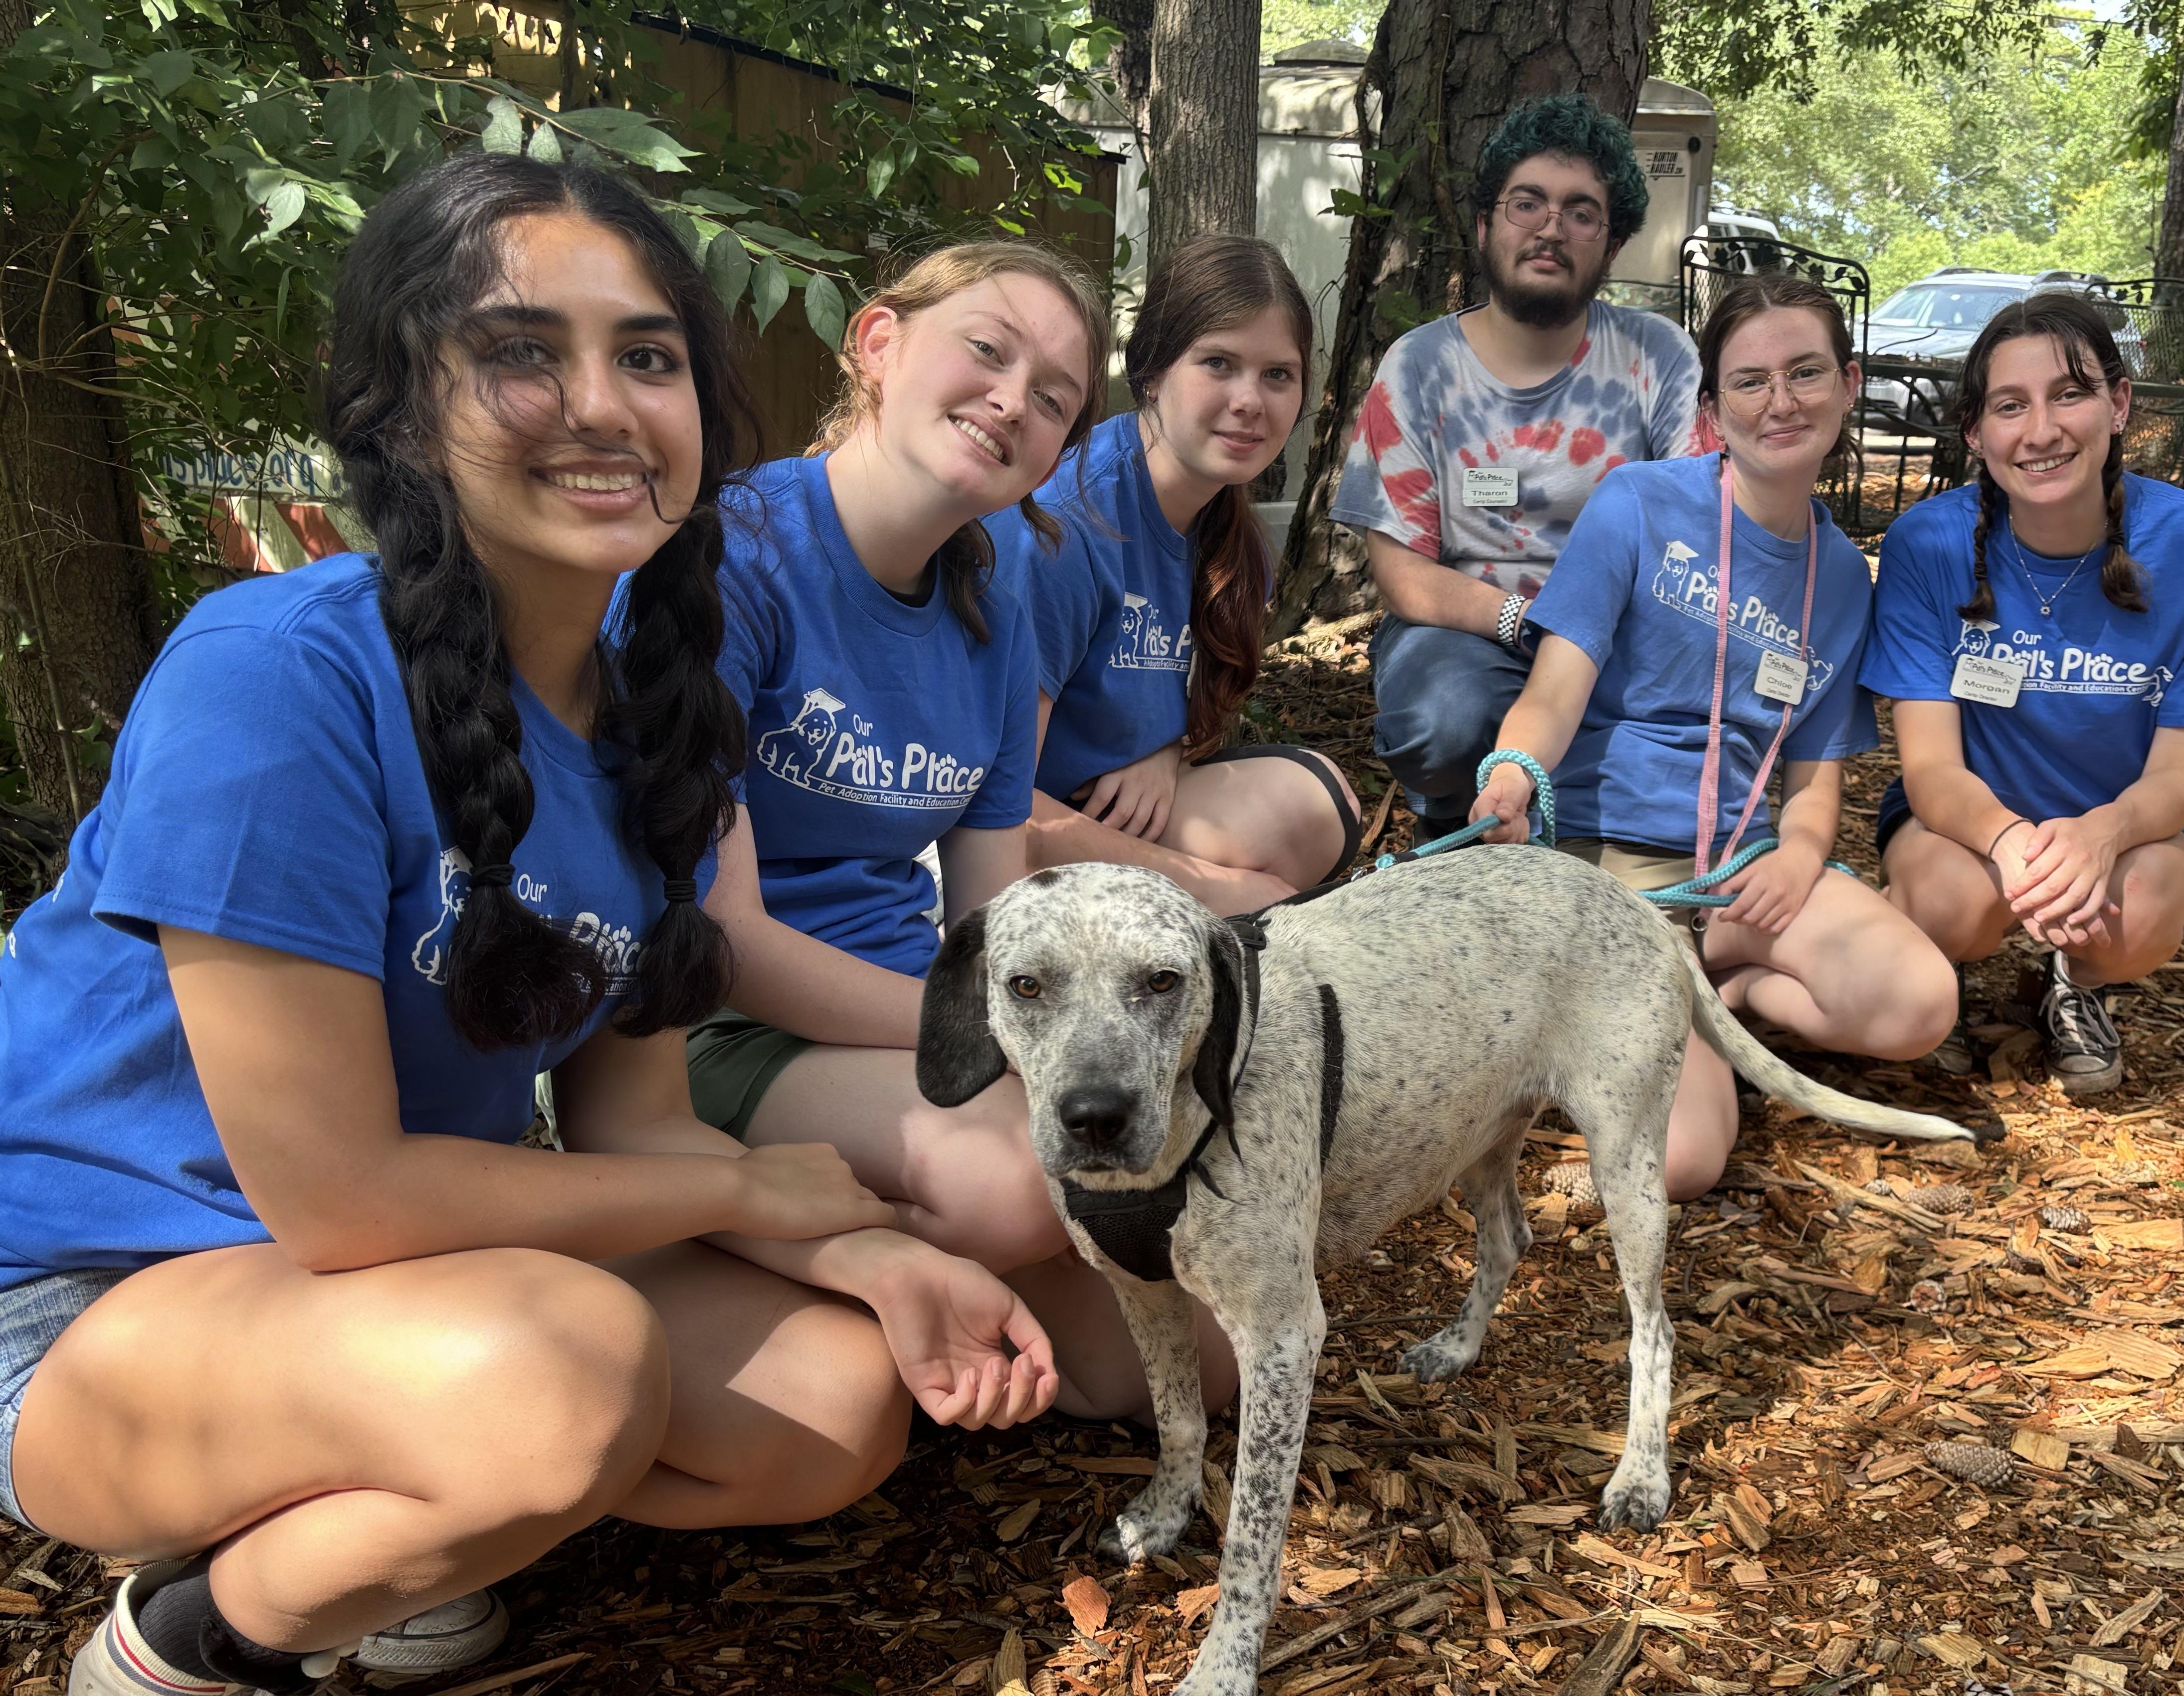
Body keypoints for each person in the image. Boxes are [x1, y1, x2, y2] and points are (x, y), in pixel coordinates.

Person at [1, 154, 1057, 1696]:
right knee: (565, 1367)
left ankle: (395, 1501)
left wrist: (862, 1249)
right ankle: (181, 1661)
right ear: (404, 406)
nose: (598, 405)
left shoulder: (652, 733)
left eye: (646, 357)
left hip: (395, 1286)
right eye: (521, 352)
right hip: (101, 1299)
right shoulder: (273, 673)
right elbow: (342, 1195)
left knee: (834, 1411)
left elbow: (628, 1121)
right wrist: (745, 1189)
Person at [694, 242, 1235, 1421]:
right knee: (1014, 1185)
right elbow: (720, 935)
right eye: (987, 352)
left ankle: (947, 1264)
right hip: (723, 1029)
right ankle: (728, 1230)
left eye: (1054, 399)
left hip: (909, 1015)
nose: (1014, 402)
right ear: (878, 345)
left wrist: (1027, 1030)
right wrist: (986, 1042)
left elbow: (992, 916)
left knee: (1199, 1379)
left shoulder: (994, 609)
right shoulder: (737, 558)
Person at [1471, 276, 1958, 1197]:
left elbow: (1815, 776)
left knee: (1919, 1005)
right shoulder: (1639, 504)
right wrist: (1514, 772)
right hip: (1612, 869)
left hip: (1735, 873)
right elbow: (1554, 689)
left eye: (1806, 372)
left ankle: (1717, 990)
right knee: (1686, 1161)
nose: (1782, 402)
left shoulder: (1846, 577)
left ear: (1849, 385)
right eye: (1751, 381)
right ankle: (1649, 999)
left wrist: (1800, 858)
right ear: (1711, 408)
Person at [1865, 292, 2184, 1097]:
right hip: (1965, 823)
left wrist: (2100, 836)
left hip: (2126, 827)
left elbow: (2177, 780)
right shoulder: (1930, 542)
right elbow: (1931, 772)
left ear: (2118, 404)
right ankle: (1935, 977)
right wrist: (2015, 842)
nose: (2042, 431)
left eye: (2071, 393)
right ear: (1976, 433)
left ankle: (2072, 984)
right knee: (1951, 900)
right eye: (2010, 406)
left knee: (2140, 915)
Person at [1333, 93, 1703, 842]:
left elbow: (1696, 528)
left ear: (1613, 243)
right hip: (1469, 632)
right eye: (1526, 202)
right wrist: (1529, 624)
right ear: (1485, 225)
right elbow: (1402, 574)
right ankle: (1454, 829)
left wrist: (1585, 640)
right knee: (1443, 716)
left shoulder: (1660, 358)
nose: (1550, 228)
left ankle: (1599, 843)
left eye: (1581, 212)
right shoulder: (1421, 367)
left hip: (1624, 635)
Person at [993, 234, 1361, 915]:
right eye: (1218, 363)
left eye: (1278, 374)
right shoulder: (1064, 527)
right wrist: (1219, 890)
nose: (1250, 400)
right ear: (1152, 371)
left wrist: (1167, 749)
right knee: (1266, 883)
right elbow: (995, 802)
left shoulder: (1228, 533)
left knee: (1316, 806)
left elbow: (1190, 689)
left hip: (1102, 814)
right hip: (1002, 836)